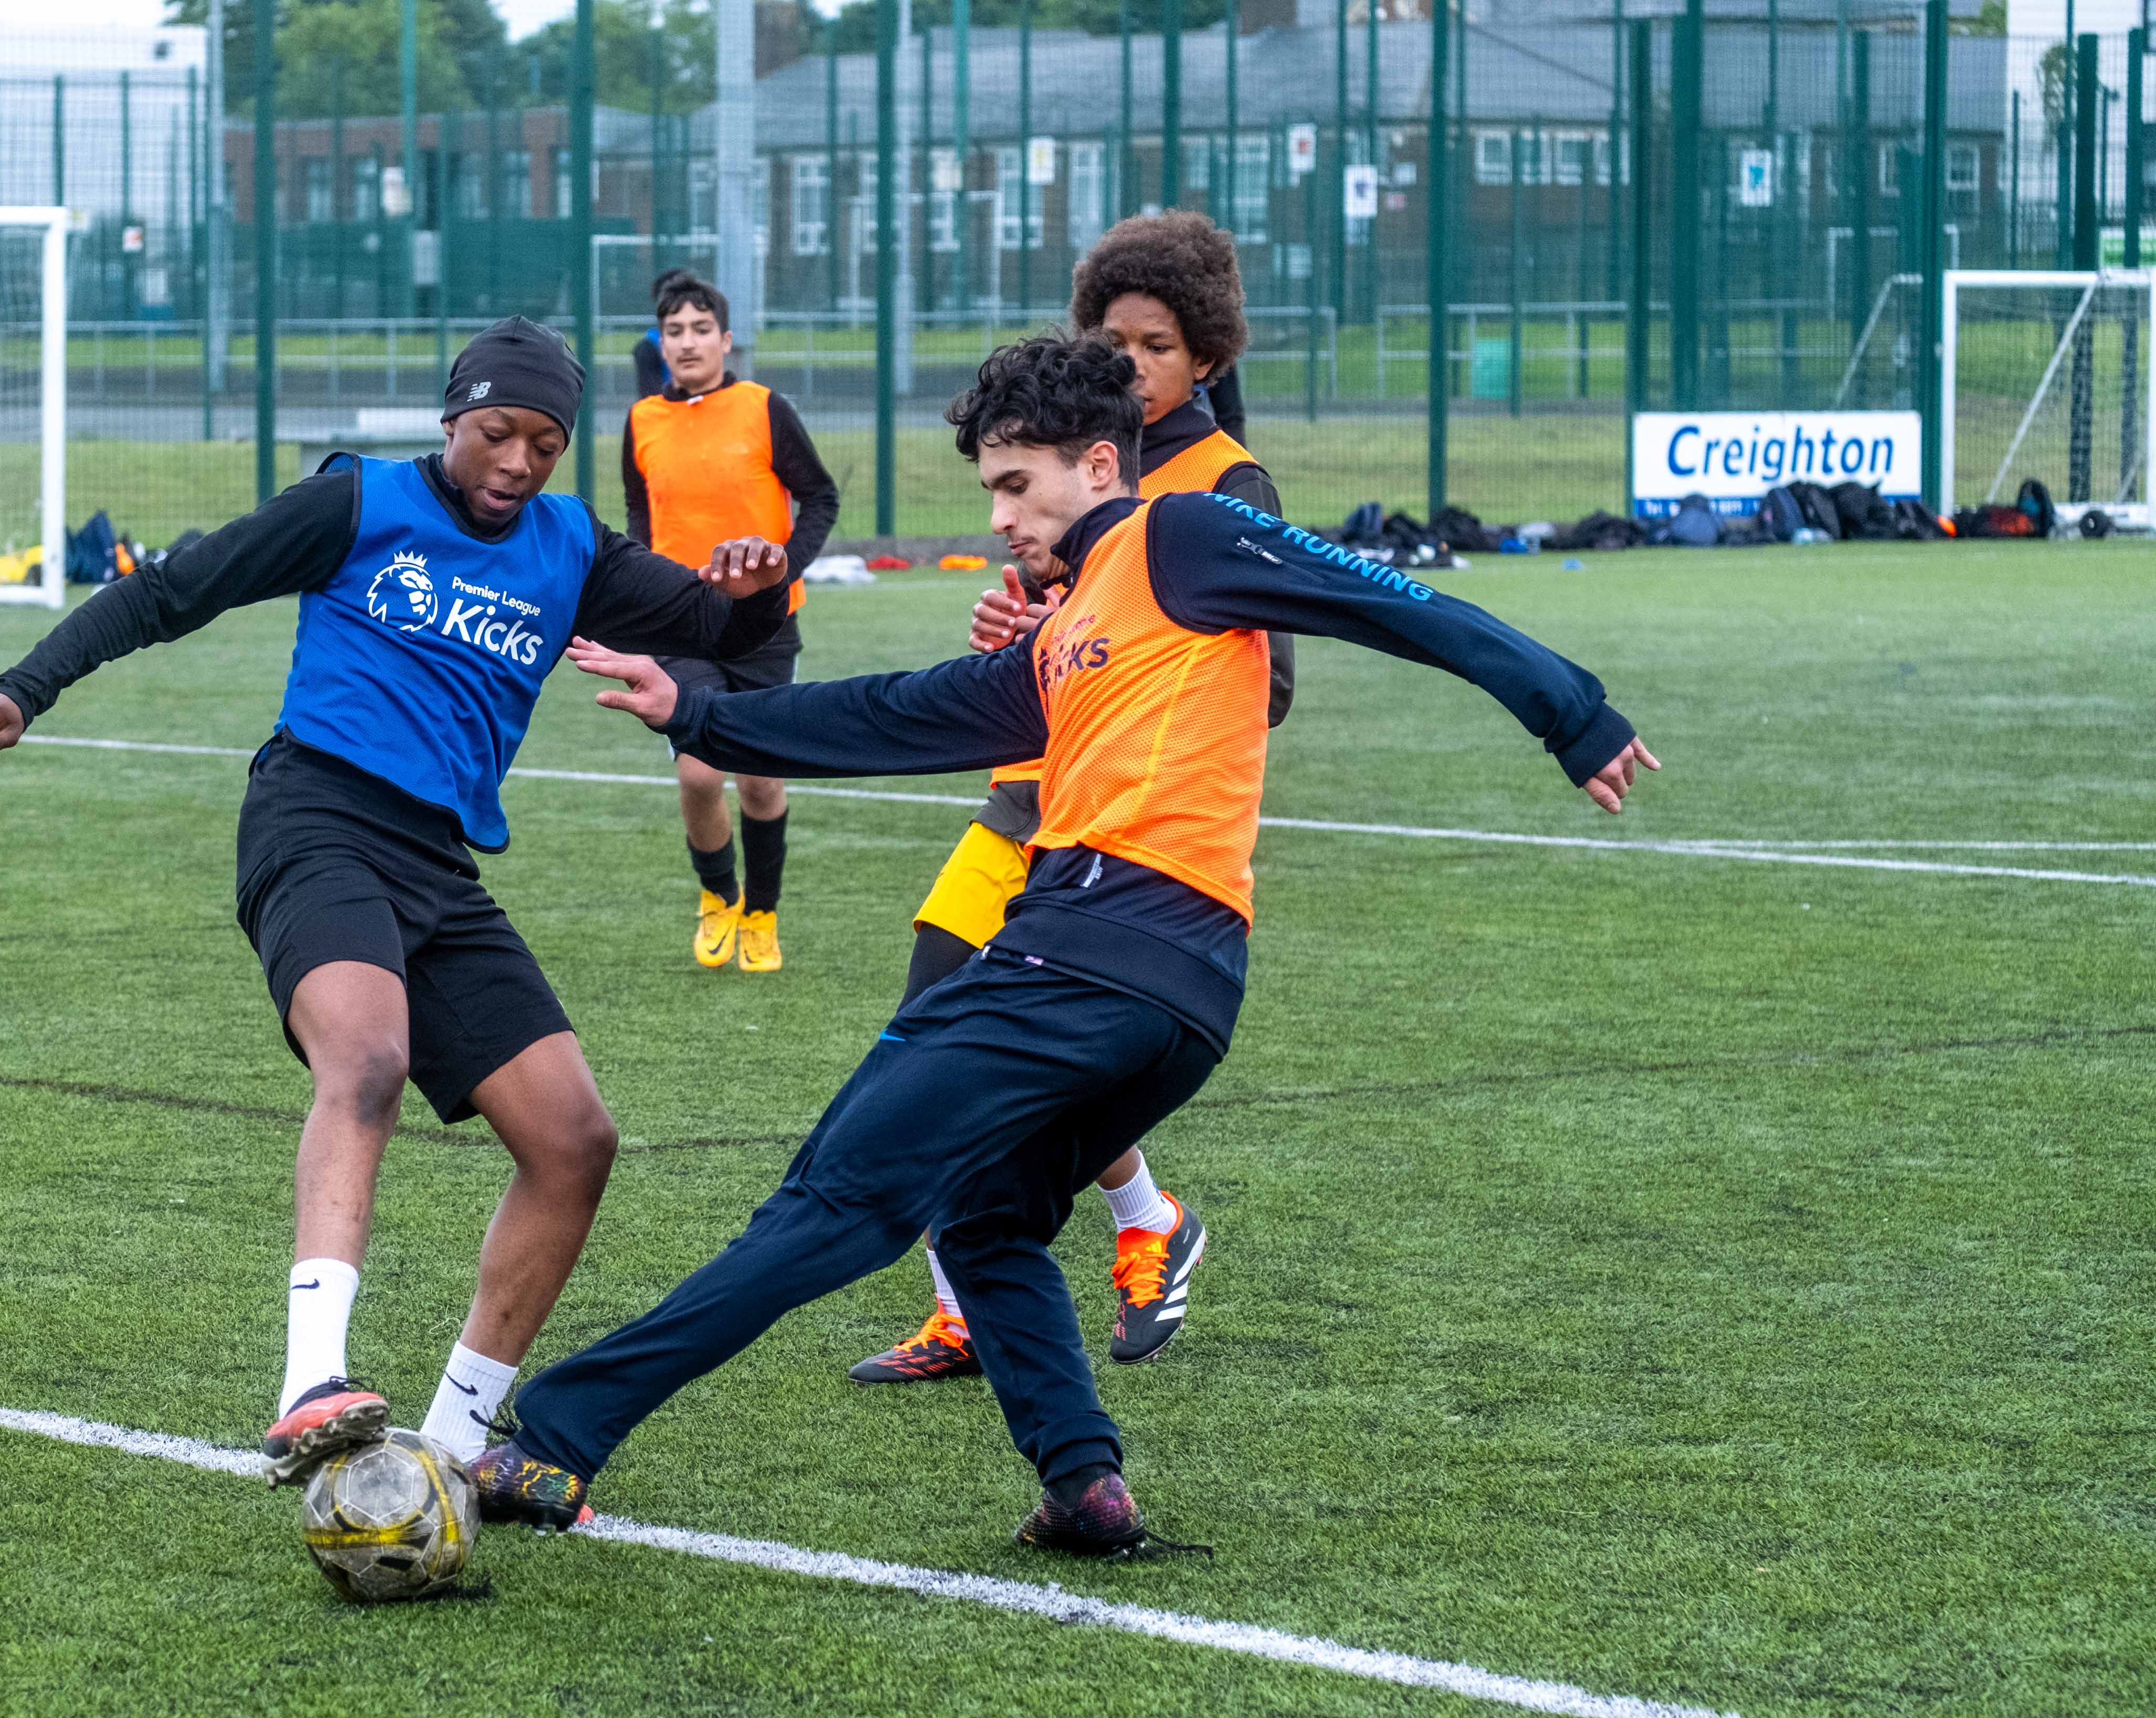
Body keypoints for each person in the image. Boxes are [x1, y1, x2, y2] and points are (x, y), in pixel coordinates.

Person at [463, 332, 1656, 1552]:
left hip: (1088, 951)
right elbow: (906, 711)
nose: (999, 515)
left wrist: (1571, 711)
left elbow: (1389, 600)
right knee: (981, 1215)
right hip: (1175, 998)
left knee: (834, 1195)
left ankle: (554, 1437)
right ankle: (1084, 1485)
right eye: (990, 488)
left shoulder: (1179, 537)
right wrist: (704, 710)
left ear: (1098, 462)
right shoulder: (1070, 621)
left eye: (1014, 485)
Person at [0, 319, 793, 1477]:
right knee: (369, 1058)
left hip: (440, 864)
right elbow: (167, 595)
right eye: (496, 433)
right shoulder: (357, 505)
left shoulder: (570, 544)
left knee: (575, 1140)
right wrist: (19, 687)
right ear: (451, 420)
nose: (518, 463)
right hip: (315, 818)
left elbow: (706, 628)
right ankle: (309, 1385)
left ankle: (453, 1439)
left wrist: (755, 589)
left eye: (544, 442)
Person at [856, 211, 1281, 1387]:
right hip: (1018, 808)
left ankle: (1076, 1252)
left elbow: (1268, 681)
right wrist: (1019, 638)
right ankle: (1047, 1264)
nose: (1133, 362)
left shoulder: (1218, 485)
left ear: (1207, 358)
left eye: (1158, 344)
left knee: (983, 1060)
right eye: (1114, 338)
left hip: (1118, 843)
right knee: (935, 1032)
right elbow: (1047, 642)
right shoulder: (1064, 465)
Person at [618, 268, 841, 973]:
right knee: (697, 773)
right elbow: (638, 518)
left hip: (768, 626)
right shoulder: (641, 421)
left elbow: (821, 498)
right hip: (683, 627)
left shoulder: (764, 407)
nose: (687, 343)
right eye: (674, 332)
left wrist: (781, 571)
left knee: (762, 782)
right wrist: (644, 594)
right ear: (663, 343)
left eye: (700, 330)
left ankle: (763, 914)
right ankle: (719, 895)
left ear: (726, 339)